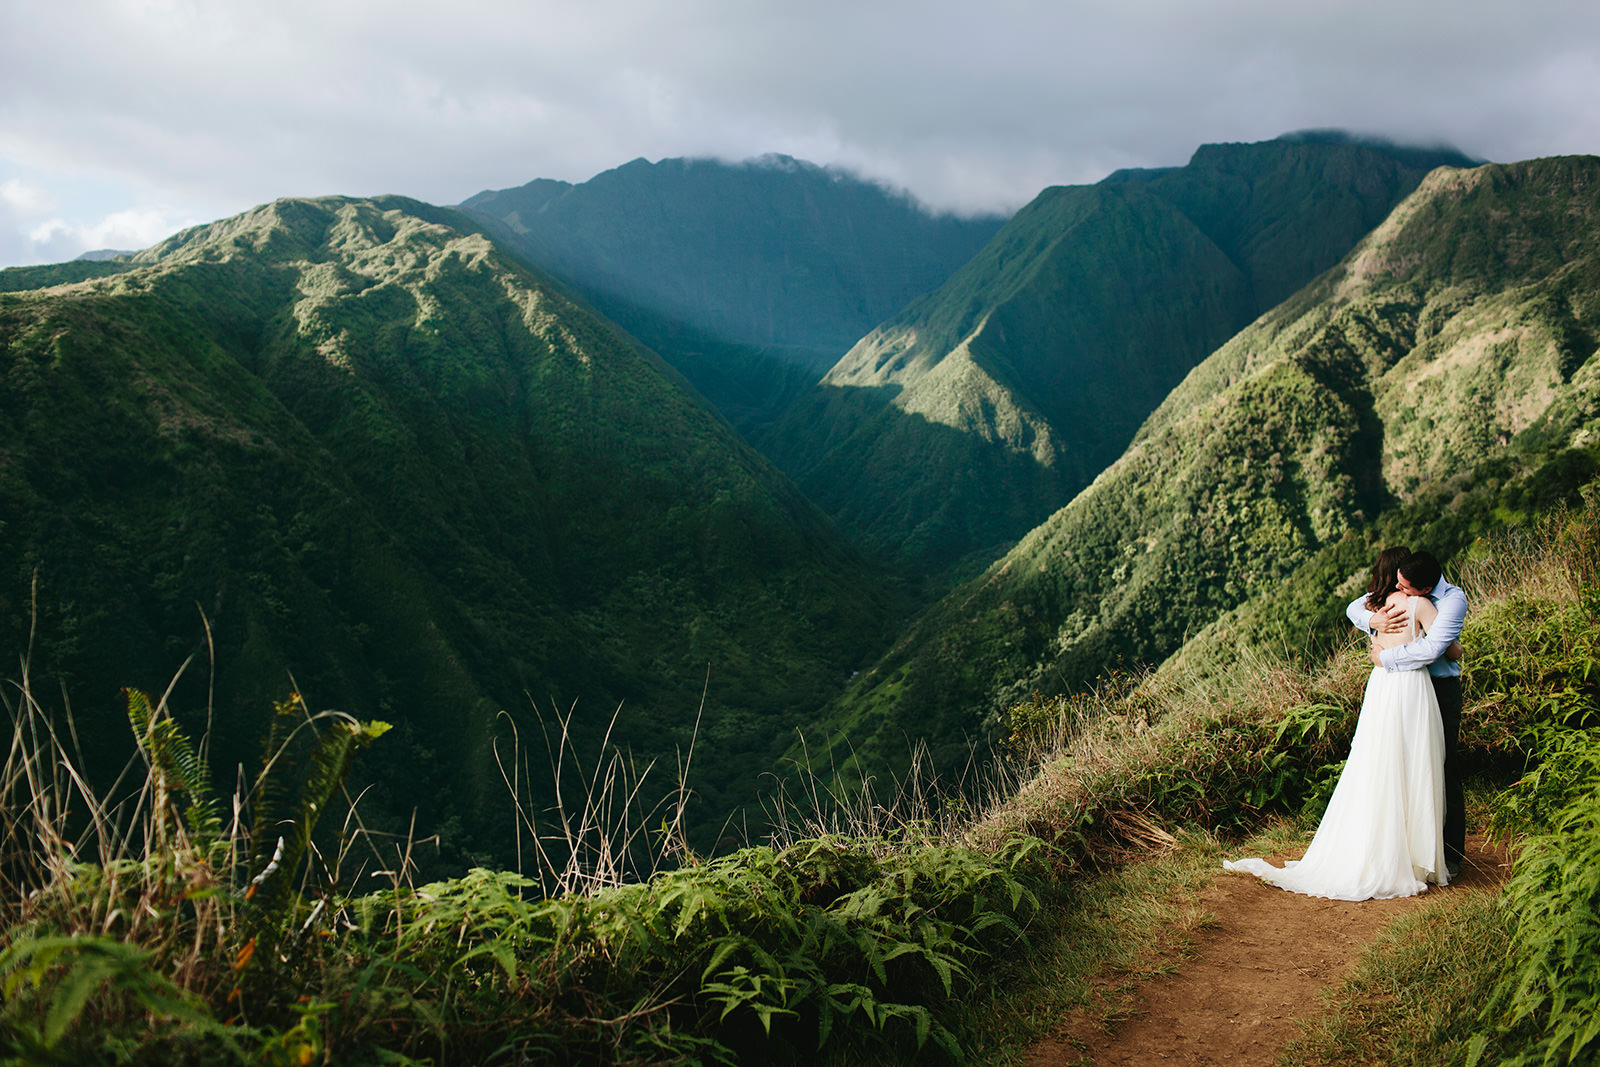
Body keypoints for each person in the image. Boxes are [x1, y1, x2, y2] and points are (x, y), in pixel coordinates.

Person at [1222, 547, 1452, 899]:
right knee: (1416, 762)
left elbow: (1359, 614)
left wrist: (1381, 650)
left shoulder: (1377, 607)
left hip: (1382, 687)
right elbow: (1447, 648)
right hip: (1412, 686)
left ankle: (1378, 846)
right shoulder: (1420, 604)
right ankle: (1413, 855)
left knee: (1378, 762)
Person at [1347, 549, 1469, 878]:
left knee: (1443, 767)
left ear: (1423, 588)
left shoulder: (1452, 600)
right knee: (1406, 766)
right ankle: (1410, 848)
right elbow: (1354, 607)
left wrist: (1384, 657)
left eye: (1404, 586)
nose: (1398, 589)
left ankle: (1449, 852)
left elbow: (1434, 649)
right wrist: (1374, 622)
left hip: (1436, 690)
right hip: (1406, 689)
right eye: (1397, 582)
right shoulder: (1395, 599)